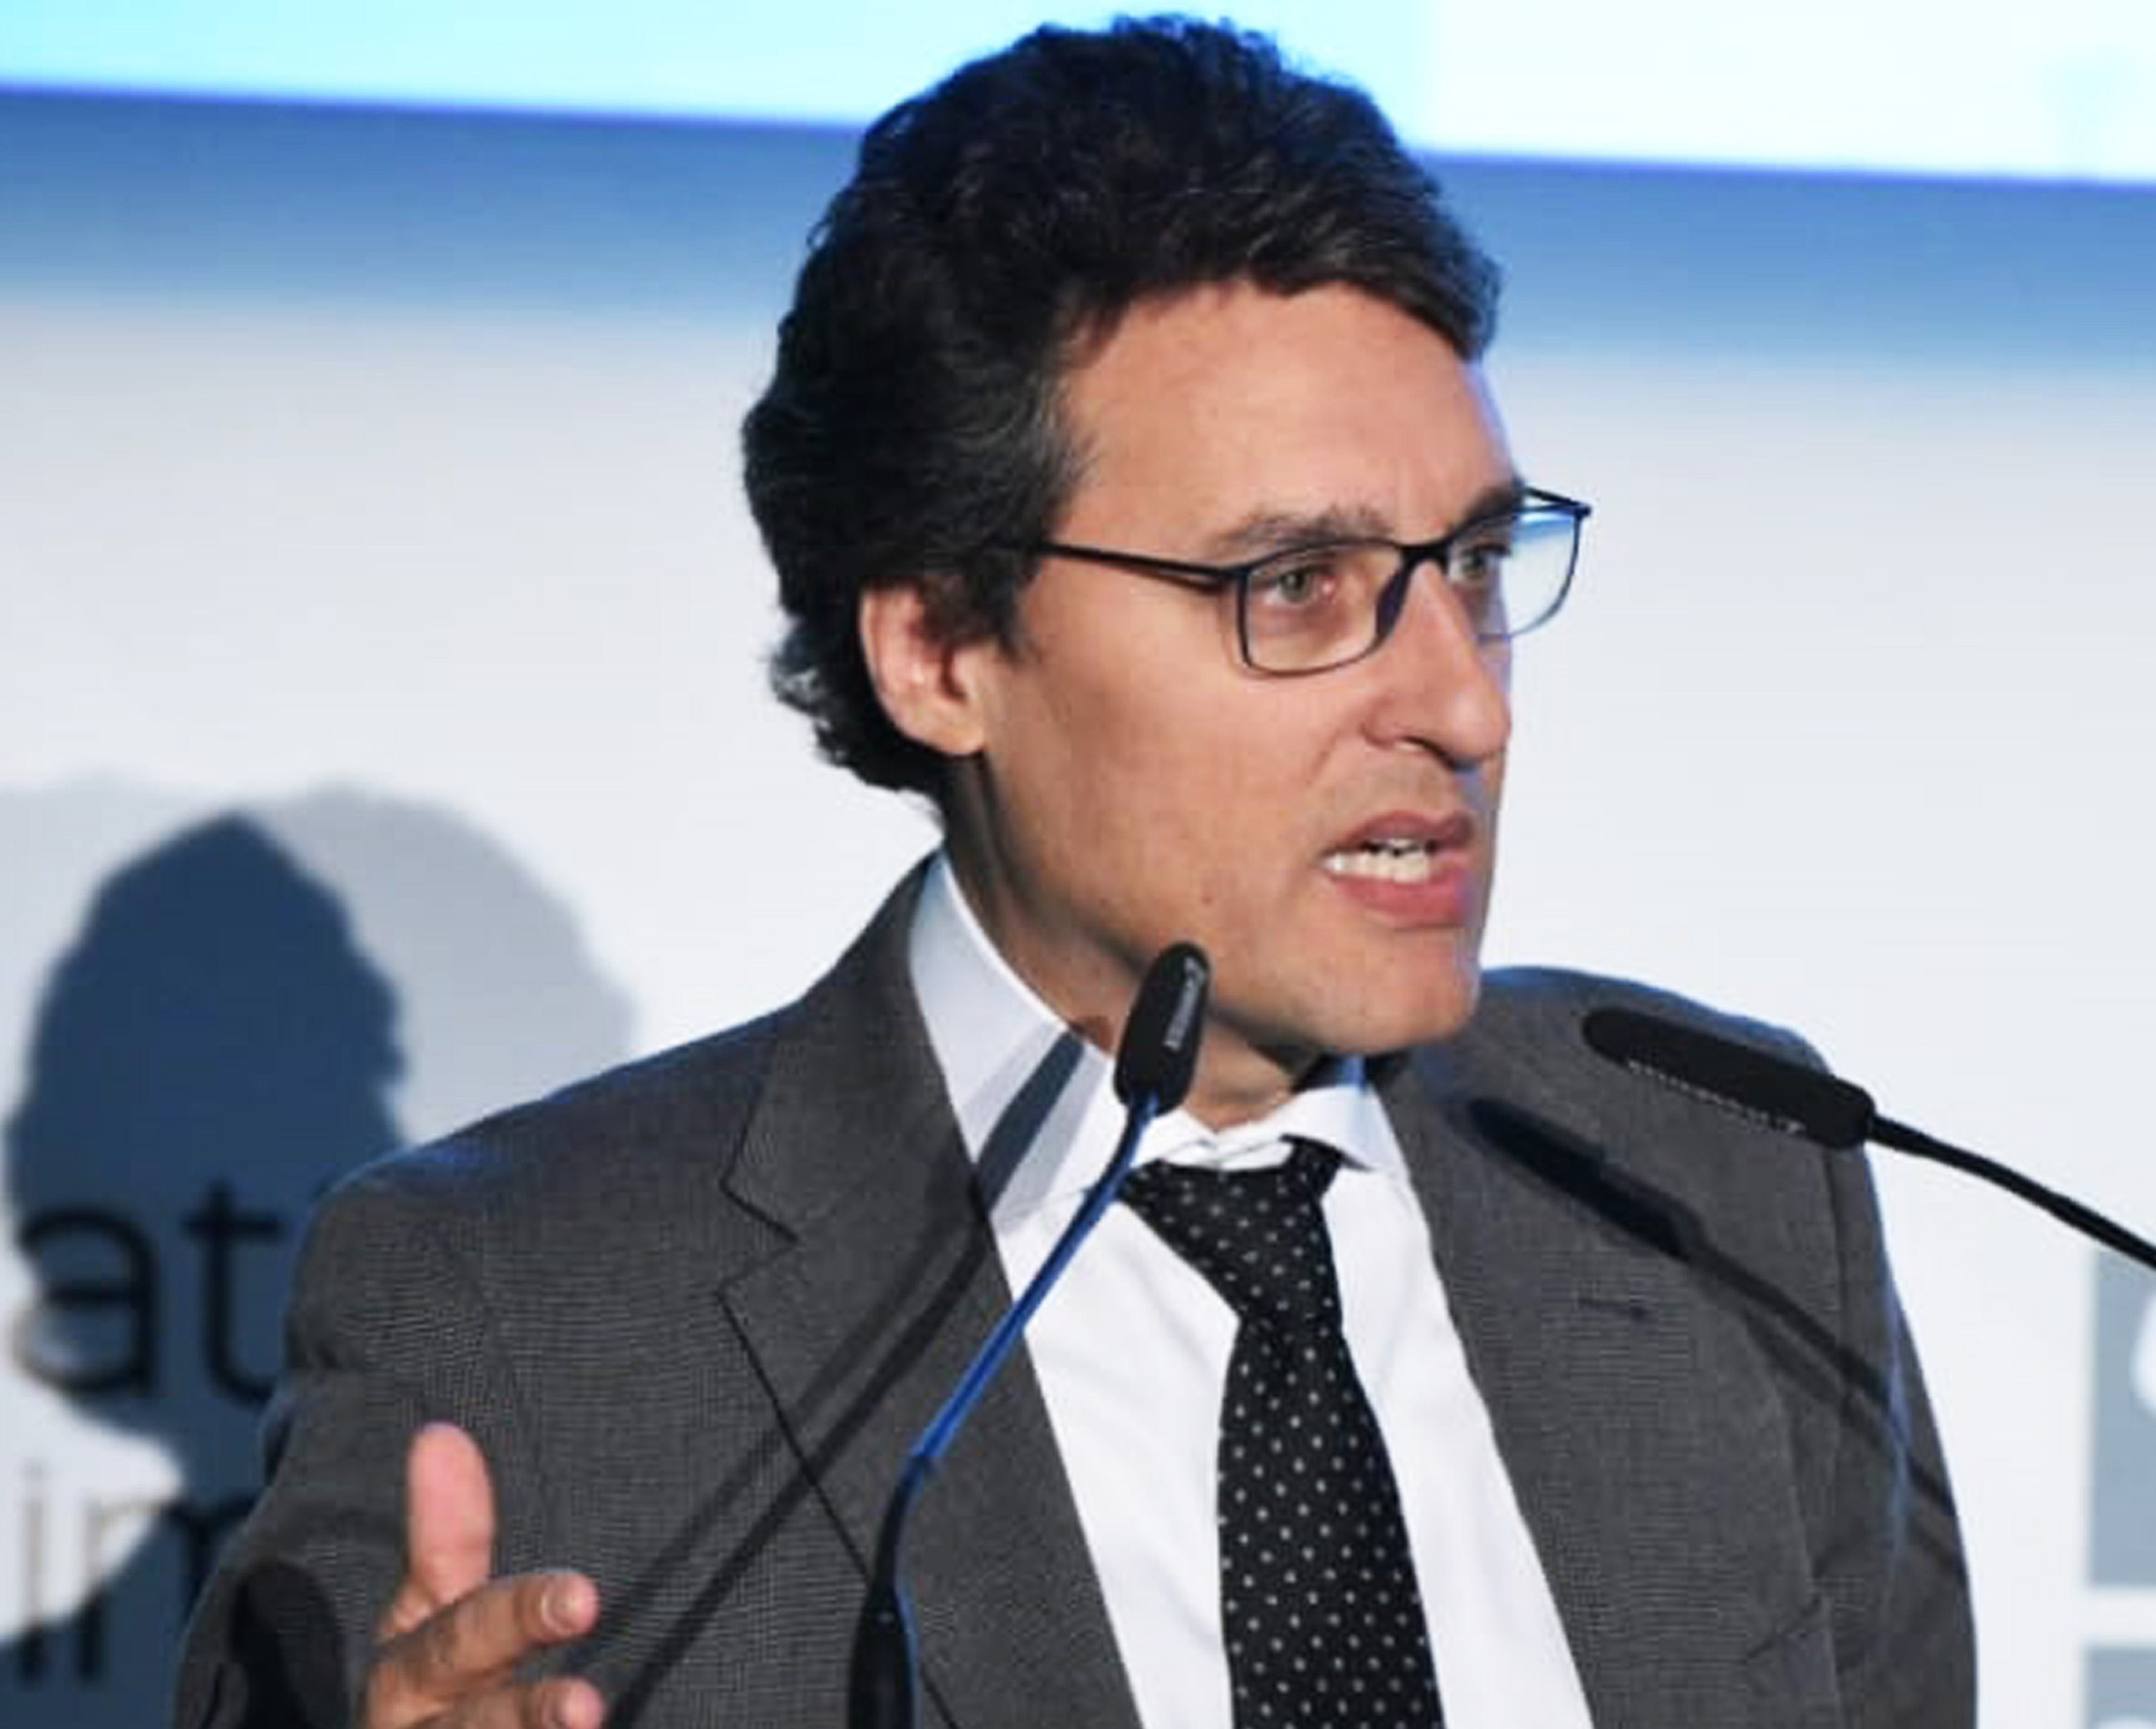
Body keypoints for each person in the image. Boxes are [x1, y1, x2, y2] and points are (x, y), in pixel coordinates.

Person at [172, 17, 1973, 1727]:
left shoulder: (1727, 1180)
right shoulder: (522, 1321)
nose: (1460, 703)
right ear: (940, 650)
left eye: (1479, 566)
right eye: (1296, 588)